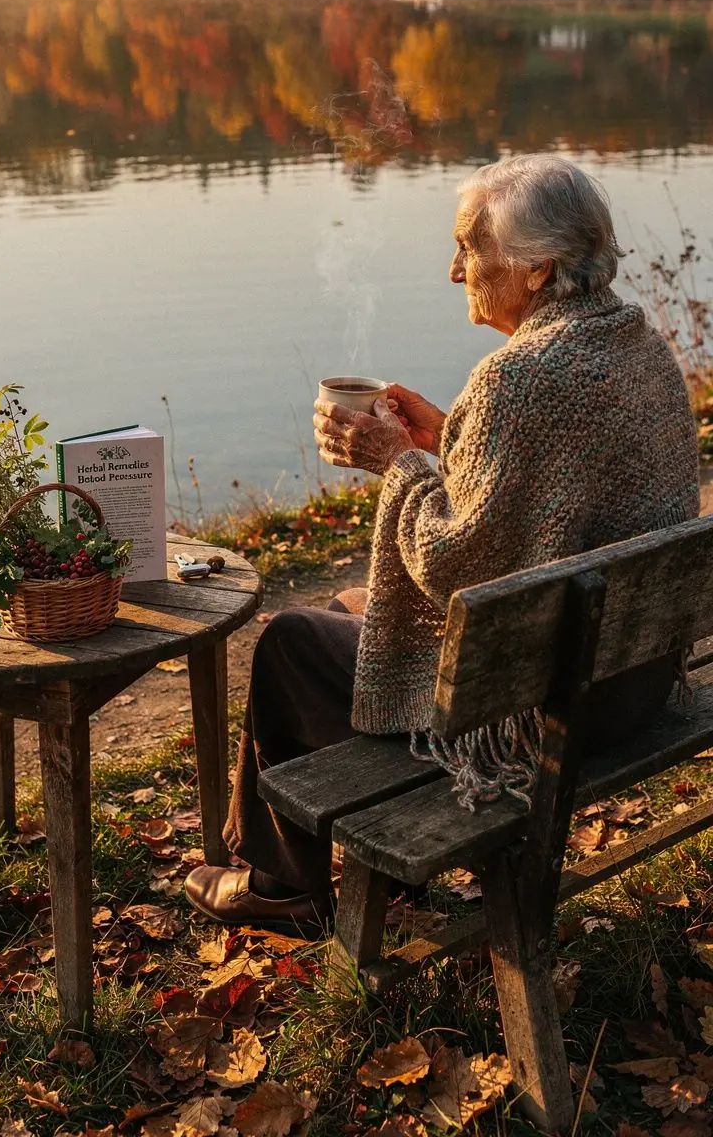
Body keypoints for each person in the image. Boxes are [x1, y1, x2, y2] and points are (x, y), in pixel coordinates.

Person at [186, 154, 700, 934]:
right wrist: (447, 436)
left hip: (545, 716)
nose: (454, 270)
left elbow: (451, 563)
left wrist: (396, 463)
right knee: (347, 606)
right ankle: (359, 878)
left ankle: (281, 885)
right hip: (633, 684)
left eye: (468, 247)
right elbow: (553, 496)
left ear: (536, 268)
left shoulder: (516, 380)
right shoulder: (640, 348)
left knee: (289, 645)